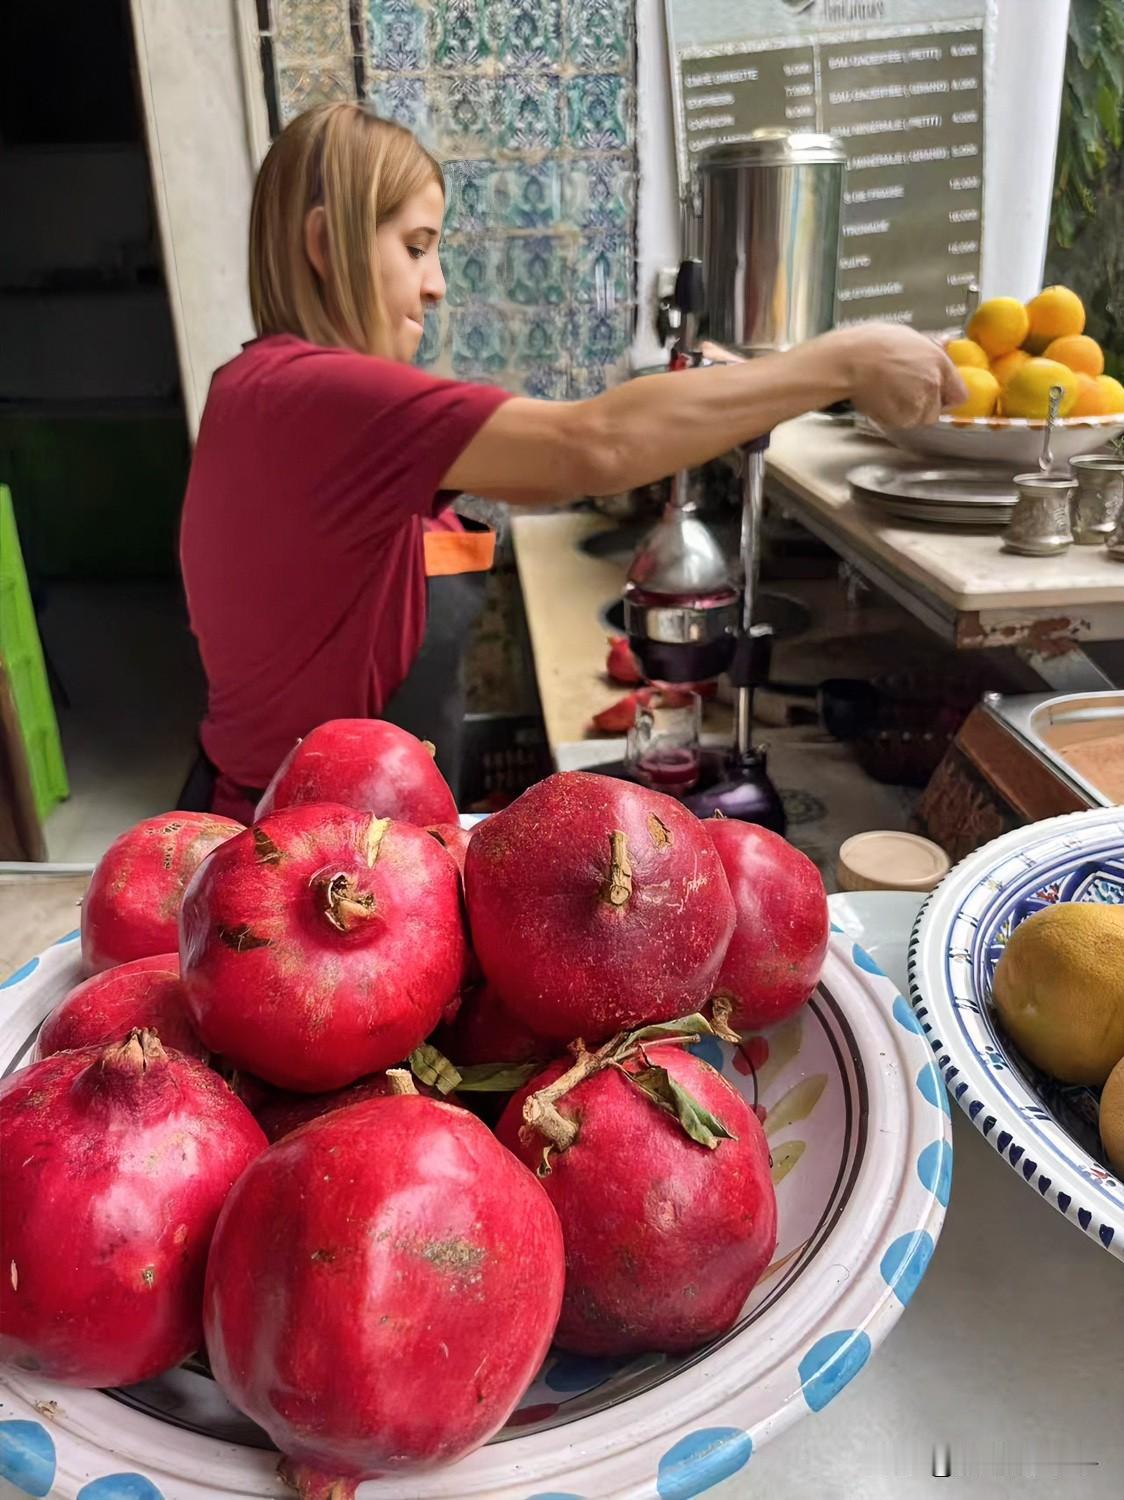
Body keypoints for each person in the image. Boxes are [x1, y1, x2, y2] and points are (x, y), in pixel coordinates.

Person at [179, 102, 965, 823]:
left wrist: (723, 390)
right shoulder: (316, 397)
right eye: (416, 247)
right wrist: (842, 362)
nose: (437, 285)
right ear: (326, 245)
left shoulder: (260, 393)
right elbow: (591, 445)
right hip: (312, 840)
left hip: (329, 811)